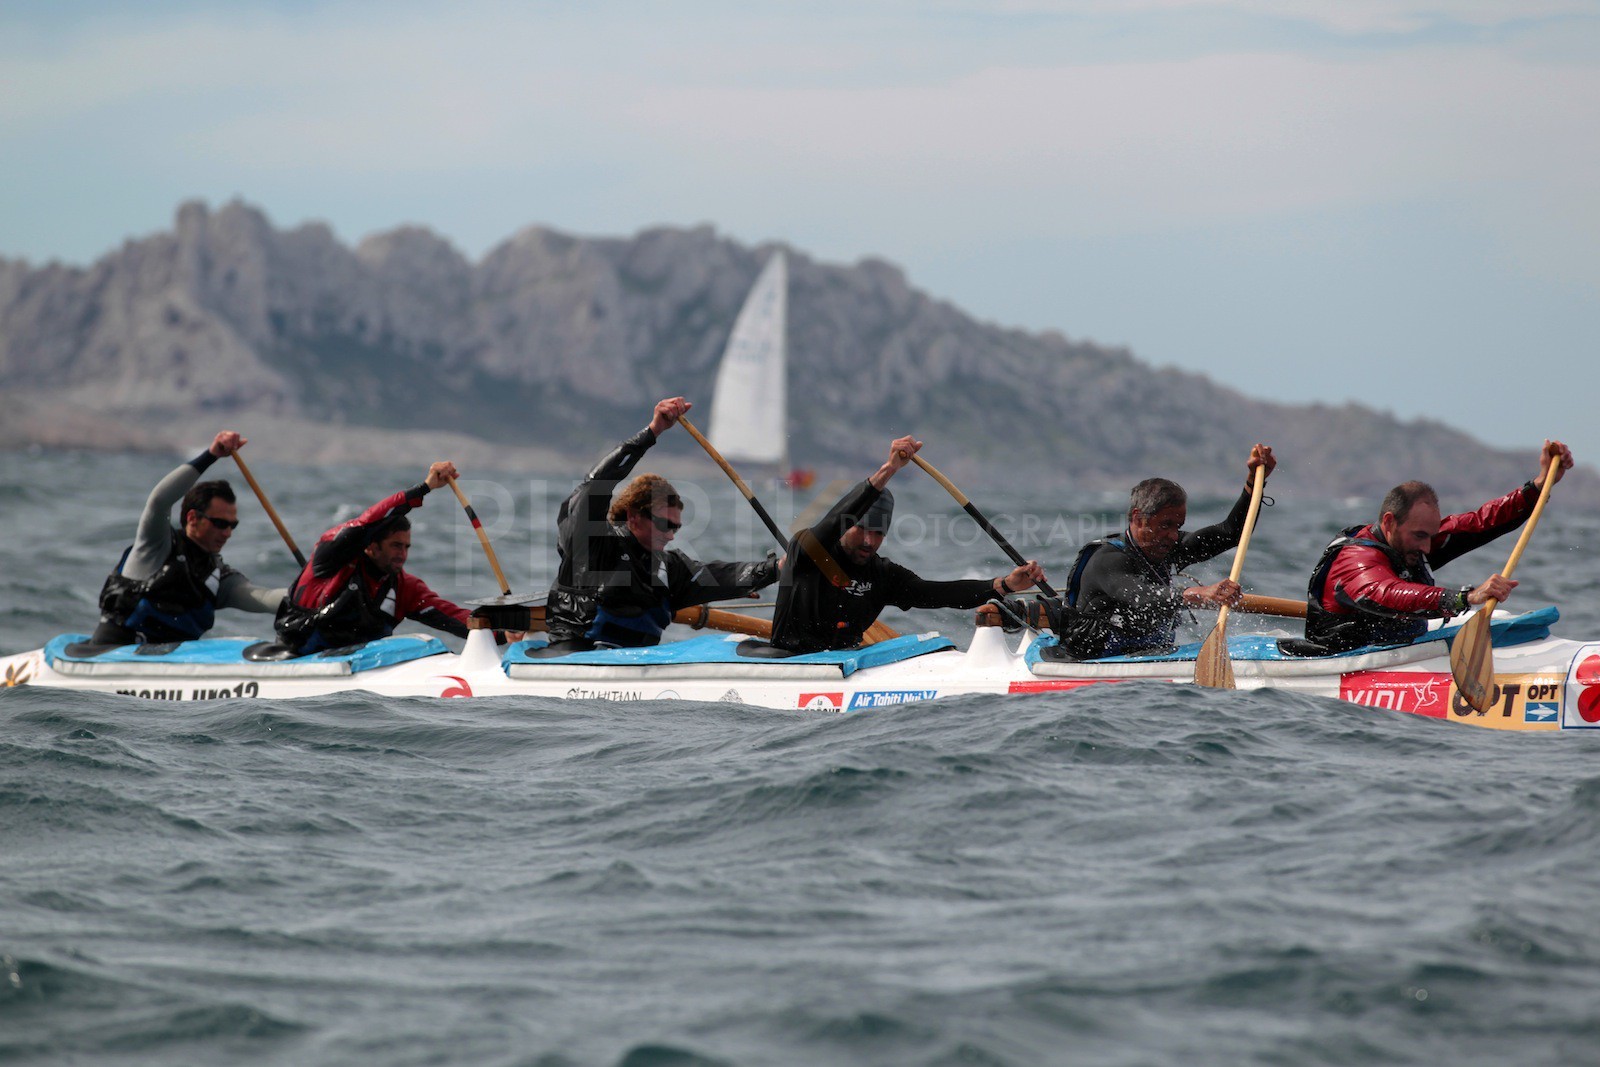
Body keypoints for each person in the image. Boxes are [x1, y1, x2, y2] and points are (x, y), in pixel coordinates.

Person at [770, 435, 1046, 653]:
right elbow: (832, 521)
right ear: (846, 524)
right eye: (862, 529)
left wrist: (1004, 585)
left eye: (878, 533)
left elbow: (938, 594)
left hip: (845, 659)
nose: (869, 541)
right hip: (790, 660)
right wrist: (889, 470)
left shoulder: (882, 575)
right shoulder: (808, 550)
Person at [545, 397, 781, 651]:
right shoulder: (592, 544)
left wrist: (778, 568)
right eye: (665, 524)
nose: (670, 536)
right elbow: (595, 484)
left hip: (636, 667)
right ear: (634, 515)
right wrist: (653, 431)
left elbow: (723, 576)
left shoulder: (670, 569)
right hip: (574, 659)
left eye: (676, 528)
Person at [1303, 439, 1574, 653]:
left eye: (1430, 536)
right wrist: (1466, 598)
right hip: (1336, 662)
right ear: (1389, 522)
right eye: (1419, 536)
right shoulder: (1356, 560)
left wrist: (1540, 484)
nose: (1426, 547)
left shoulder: (1416, 540)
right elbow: (1387, 593)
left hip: (1393, 653)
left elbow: (1480, 523)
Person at [1051, 444, 1277, 659]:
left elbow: (1231, 533)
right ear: (1138, 518)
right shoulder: (1107, 560)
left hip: (1144, 658)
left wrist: (1253, 483)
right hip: (1086, 660)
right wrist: (1197, 593)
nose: (1172, 535)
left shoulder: (1167, 547)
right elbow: (1139, 596)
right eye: (1165, 525)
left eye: (1177, 527)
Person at [93, 431, 286, 645]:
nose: (227, 533)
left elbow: (265, 598)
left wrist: (318, 597)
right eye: (220, 524)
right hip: (112, 653)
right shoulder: (155, 544)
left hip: (168, 666)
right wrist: (211, 455)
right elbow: (159, 501)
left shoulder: (217, 577)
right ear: (193, 518)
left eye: (233, 525)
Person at [274, 461, 472, 654]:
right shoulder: (331, 559)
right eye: (395, 546)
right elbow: (368, 521)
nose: (402, 554)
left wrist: (497, 628)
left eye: (406, 547)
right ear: (371, 546)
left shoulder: (405, 588)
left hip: (360, 670)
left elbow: (455, 617)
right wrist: (424, 488)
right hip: (295, 655)